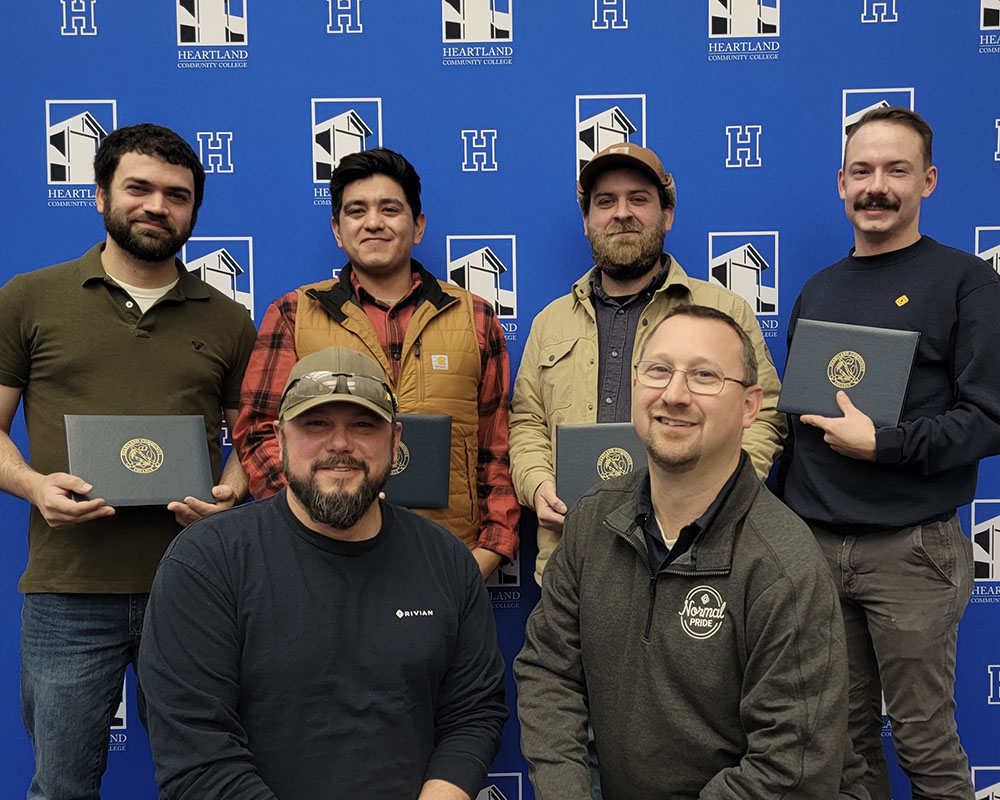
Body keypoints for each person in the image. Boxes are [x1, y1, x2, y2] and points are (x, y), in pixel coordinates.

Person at [515, 305, 867, 800]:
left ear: (750, 407)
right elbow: (549, 673)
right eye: (658, 370)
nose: (674, 395)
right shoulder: (592, 520)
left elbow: (790, 768)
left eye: (704, 376)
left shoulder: (783, 564)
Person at [0, 123, 257, 798]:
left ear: (194, 210)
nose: (157, 206)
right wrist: (32, 486)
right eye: (138, 188)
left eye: (177, 195)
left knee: (207, 781)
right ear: (99, 195)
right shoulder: (30, 298)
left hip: (194, 587)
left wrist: (231, 493)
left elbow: (254, 438)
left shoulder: (229, 319)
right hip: (69, 590)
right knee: (61, 786)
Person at [139, 346, 508, 799]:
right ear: (279, 438)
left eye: (363, 425)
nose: (339, 445)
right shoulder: (207, 561)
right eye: (315, 424)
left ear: (395, 440)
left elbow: (473, 712)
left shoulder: (446, 559)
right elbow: (196, 752)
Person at [780, 106, 1000, 800]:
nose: (877, 186)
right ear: (841, 183)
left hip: (910, 551)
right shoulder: (818, 288)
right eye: (863, 171)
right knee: (841, 745)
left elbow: (989, 418)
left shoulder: (967, 282)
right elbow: (794, 423)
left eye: (896, 171)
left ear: (927, 181)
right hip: (815, 548)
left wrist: (885, 443)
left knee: (923, 741)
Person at [233, 148, 518, 580]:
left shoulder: (475, 316)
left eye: (390, 209)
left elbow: (497, 448)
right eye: (356, 210)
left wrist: (489, 551)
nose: (373, 222)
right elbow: (259, 433)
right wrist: (312, 524)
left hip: (449, 561)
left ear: (418, 226)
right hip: (324, 560)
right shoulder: (294, 313)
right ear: (337, 229)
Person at [508, 142, 786, 583]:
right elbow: (527, 423)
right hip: (574, 559)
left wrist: (720, 496)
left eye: (638, 199)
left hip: (696, 557)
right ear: (586, 222)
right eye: (605, 202)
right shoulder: (549, 322)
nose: (622, 213)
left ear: (667, 215)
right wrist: (538, 484)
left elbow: (764, 414)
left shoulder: (724, 311)